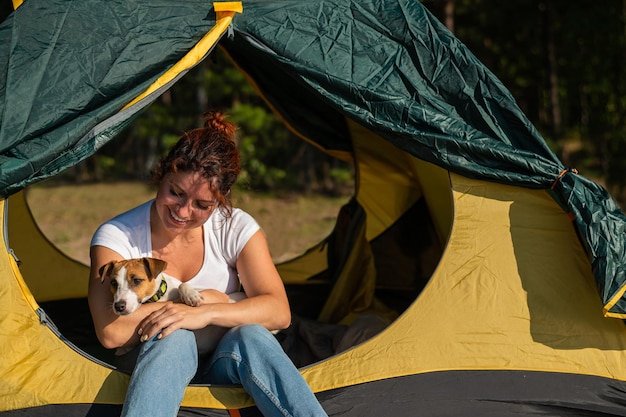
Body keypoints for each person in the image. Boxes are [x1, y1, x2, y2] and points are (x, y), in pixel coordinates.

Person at [88, 110, 328, 417]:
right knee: (172, 336)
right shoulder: (118, 235)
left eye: (202, 205)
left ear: (222, 198)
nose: (183, 212)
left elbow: (279, 313)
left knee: (252, 335)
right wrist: (186, 313)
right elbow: (113, 332)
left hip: (223, 365)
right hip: (150, 365)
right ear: (163, 173)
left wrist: (209, 310)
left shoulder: (235, 227)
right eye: (176, 193)